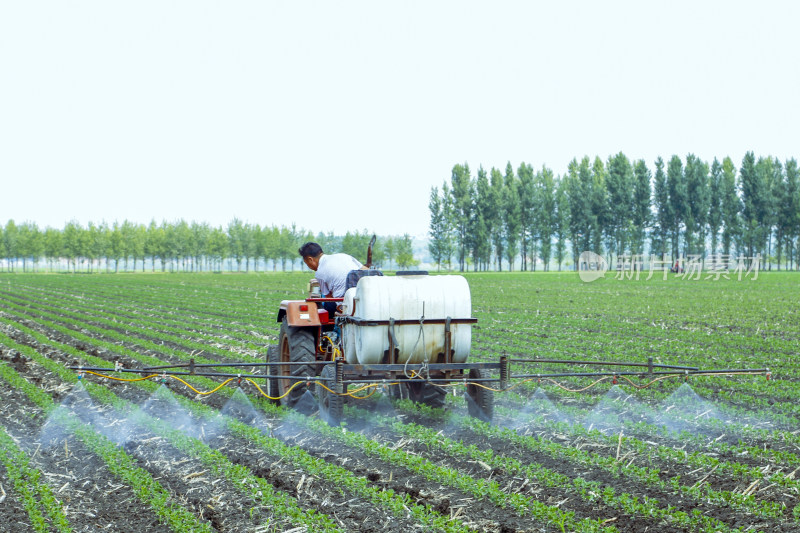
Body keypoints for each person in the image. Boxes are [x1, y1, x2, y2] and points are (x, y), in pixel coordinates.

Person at [298, 242, 366, 299]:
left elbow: (328, 297)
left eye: (307, 264)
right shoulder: (344, 256)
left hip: (343, 303)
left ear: (310, 259)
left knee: (326, 304)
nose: (309, 267)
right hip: (362, 295)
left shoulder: (319, 273)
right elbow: (365, 269)